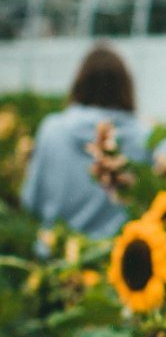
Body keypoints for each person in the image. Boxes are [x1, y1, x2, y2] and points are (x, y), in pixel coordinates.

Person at [21, 45, 149, 243]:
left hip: (57, 259)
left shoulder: (52, 129)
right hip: (121, 257)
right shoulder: (143, 136)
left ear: (79, 84)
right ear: (126, 87)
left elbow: (31, 201)